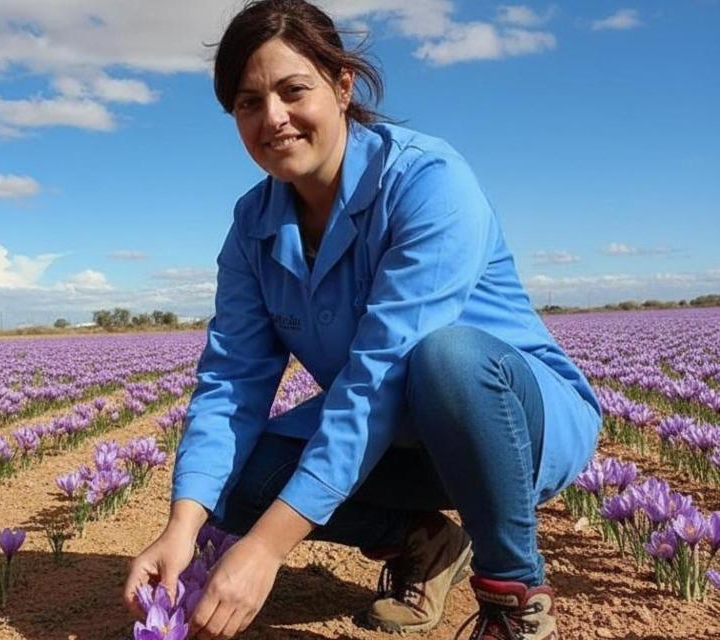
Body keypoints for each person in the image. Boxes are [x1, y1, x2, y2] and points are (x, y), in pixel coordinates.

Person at [124, 1, 602, 638]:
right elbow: (232, 379)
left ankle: (512, 596)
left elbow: (380, 375)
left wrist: (266, 549)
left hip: (510, 424)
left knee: (447, 358)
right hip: (400, 435)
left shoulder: (427, 181)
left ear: (342, 86)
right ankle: (424, 541)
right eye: (247, 102)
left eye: (294, 90)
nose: (273, 118)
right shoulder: (251, 228)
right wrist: (182, 528)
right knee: (234, 484)